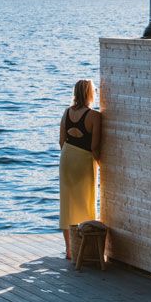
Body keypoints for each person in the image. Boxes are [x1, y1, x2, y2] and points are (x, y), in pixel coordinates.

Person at [59, 79, 102, 260]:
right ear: (89, 93)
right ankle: (86, 248)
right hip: (84, 160)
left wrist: (69, 154)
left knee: (67, 204)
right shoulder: (94, 116)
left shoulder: (66, 112)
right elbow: (95, 147)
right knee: (86, 201)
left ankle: (69, 250)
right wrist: (102, 165)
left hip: (67, 158)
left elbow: (61, 141)